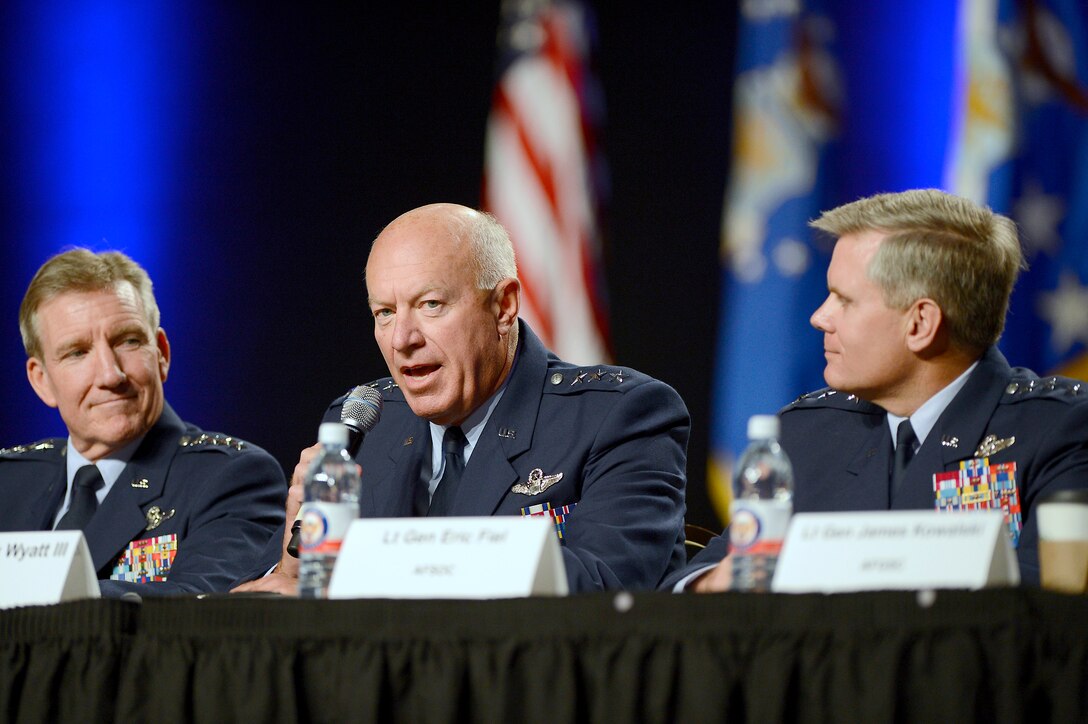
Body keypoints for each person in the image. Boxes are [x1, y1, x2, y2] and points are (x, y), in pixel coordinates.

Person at [233, 203, 689, 594]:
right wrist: (294, 566)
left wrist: (371, 564)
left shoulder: (620, 415)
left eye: (431, 304)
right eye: (385, 313)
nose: (402, 340)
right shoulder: (363, 427)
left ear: (504, 306)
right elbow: (267, 591)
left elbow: (606, 585)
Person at [669, 188, 1088, 591]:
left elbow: (1050, 614)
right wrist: (710, 583)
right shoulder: (807, 434)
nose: (819, 317)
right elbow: (700, 578)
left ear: (920, 324)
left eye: (843, 300)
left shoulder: (1062, 431)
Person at [0, 248, 285, 597]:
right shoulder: (8, 481)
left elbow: (203, 608)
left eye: (129, 341)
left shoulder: (232, 477)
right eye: (77, 352)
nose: (110, 374)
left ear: (161, 354)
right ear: (41, 379)